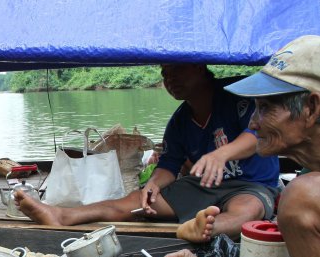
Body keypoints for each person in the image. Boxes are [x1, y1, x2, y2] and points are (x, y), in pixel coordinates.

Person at [155, 35, 320, 257]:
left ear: (310, 108)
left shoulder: (306, 193)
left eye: (266, 110)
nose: (255, 123)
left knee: (299, 198)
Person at [15, 64, 281, 243]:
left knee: (247, 211)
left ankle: (202, 229)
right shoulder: (179, 122)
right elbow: (168, 165)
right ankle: (62, 215)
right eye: (165, 74)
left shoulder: (236, 94)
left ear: (200, 67)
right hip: (203, 187)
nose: (169, 80)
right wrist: (153, 184)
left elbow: (257, 135)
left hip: (252, 185)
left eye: (177, 71)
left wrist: (221, 154)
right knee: (136, 202)